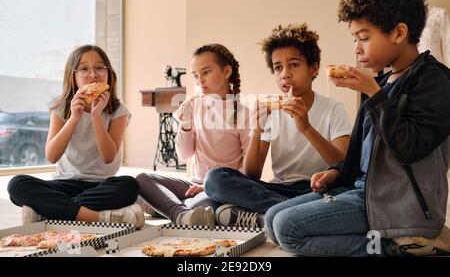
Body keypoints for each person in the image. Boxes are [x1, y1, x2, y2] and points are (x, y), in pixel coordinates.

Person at [265, 0, 450, 256]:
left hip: (401, 206)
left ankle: (401, 248)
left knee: (288, 229)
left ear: (398, 33)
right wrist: (334, 173)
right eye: (354, 38)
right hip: (364, 192)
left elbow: (410, 147)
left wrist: (374, 94)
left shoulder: (433, 80)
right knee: (271, 219)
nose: (356, 48)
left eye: (364, 37)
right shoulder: (381, 82)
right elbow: (358, 156)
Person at [205, 23, 352, 228]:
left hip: (316, 190)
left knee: (345, 193)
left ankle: (270, 215)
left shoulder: (333, 108)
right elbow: (252, 175)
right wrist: (257, 129)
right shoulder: (272, 112)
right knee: (215, 178)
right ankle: (290, 214)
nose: (285, 74)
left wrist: (306, 129)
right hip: (277, 190)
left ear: (313, 67)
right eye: (278, 67)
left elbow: (343, 165)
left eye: (294, 64)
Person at [7, 45, 144, 228]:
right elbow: (51, 156)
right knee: (17, 184)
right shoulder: (61, 108)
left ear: (109, 73)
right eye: (84, 68)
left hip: (100, 186)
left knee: (129, 185)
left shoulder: (118, 110)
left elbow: (108, 157)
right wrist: (74, 118)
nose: (93, 74)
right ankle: (96, 217)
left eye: (99, 68)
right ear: (73, 77)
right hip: (64, 183)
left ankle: (50, 210)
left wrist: (96, 116)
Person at [136, 44, 250, 226]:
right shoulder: (195, 106)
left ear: (227, 71)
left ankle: (169, 209)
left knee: (199, 206)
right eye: (196, 75)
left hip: (218, 189)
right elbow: (184, 154)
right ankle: (180, 212)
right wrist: (186, 124)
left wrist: (208, 187)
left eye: (206, 72)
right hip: (191, 184)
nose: (199, 81)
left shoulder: (244, 115)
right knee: (141, 180)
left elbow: (248, 171)